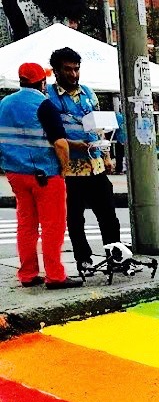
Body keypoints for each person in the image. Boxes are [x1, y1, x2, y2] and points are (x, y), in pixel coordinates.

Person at [0, 62, 81, 289]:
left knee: (26, 224)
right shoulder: (44, 105)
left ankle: (28, 274)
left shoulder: (4, 104)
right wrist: (64, 169)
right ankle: (55, 275)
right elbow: (60, 144)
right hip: (45, 174)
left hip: (16, 173)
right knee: (52, 226)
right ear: (42, 82)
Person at [47, 47, 124, 273]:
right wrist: (74, 145)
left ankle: (115, 256)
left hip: (95, 165)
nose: (73, 74)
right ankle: (84, 259)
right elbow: (51, 134)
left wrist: (106, 155)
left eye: (76, 69)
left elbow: (98, 126)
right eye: (67, 69)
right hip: (70, 169)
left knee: (108, 215)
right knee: (75, 218)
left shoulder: (89, 93)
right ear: (56, 71)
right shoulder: (49, 97)